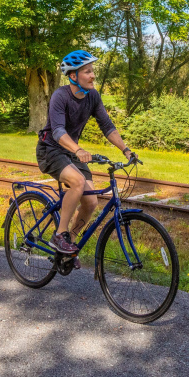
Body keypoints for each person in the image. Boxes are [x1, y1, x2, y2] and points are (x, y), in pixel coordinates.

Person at [36, 50, 137, 257]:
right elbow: (57, 132)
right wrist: (78, 149)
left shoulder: (93, 96)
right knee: (78, 182)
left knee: (91, 202)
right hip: (51, 149)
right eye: (87, 72)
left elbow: (107, 126)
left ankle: (69, 245)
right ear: (73, 76)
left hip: (71, 152)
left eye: (92, 71)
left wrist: (126, 150)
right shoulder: (60, 96)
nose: (93, 76)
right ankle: (59, 234)